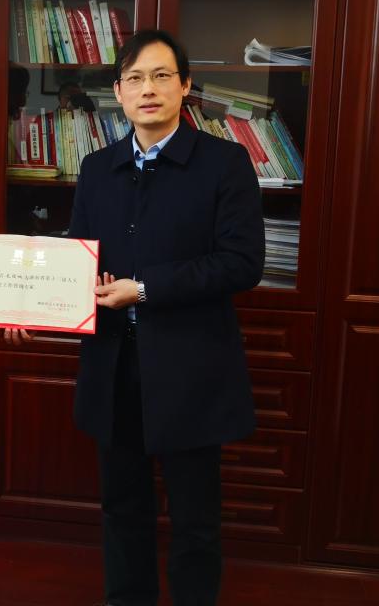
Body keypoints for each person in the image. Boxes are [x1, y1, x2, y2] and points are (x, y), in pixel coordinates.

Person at [68, 29, 264, 605]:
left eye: (160, 76)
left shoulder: (224, 163)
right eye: (134, 78)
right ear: (118, 92)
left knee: (195, 518)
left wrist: (145, 289)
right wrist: (32, 304)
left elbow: (241, 263)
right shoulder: (97, 167)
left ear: (185, 85)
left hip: (191, 368)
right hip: (114, 365)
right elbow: (78, 255)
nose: (147, 89)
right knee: (121, 507)